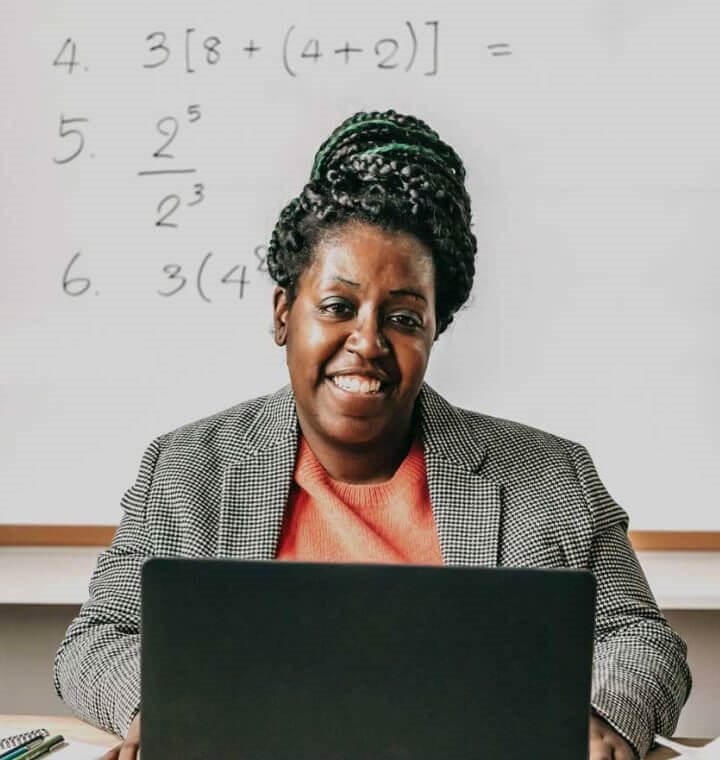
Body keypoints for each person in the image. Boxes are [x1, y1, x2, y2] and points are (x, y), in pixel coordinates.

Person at [54, 110, 691, 760]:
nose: (367, 342)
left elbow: (641, 640)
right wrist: (162, 707)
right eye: (337, 307)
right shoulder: (188, 468)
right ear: (283, 313)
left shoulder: (550, 476)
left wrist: (594, 721)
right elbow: (99, 636)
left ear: (435, 330)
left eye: (404, 317)